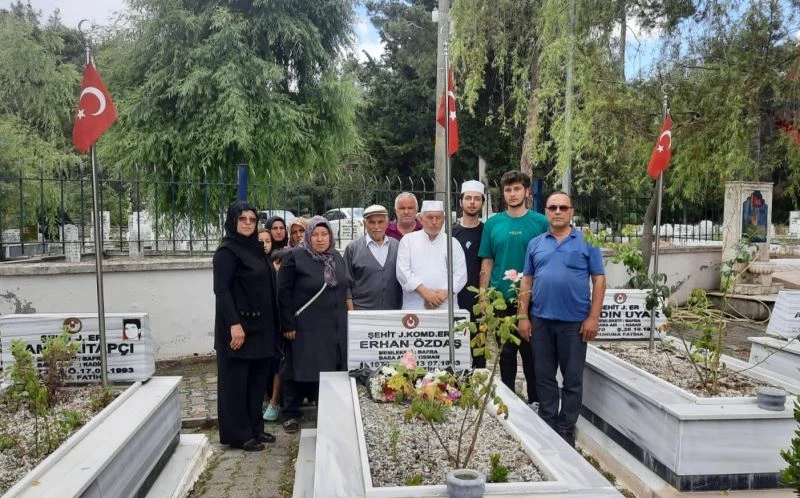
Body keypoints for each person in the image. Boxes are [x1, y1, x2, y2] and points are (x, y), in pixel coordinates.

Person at [518, 191, 606, 447]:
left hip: (574, 323)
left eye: (563, 208)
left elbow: (599, 280)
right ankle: (547, 422)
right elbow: (527, 281)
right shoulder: (535, 244)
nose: (558, 212)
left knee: (572, 379)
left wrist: (593, 318)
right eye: (553, 207)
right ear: (546, 211)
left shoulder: (586, 242)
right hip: (541, 321)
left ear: (571, 212)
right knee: (544, 376)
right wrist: (523, 316)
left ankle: (566, 429)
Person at [478, 170, 548, 408]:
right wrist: (483, 295)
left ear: (527, 192)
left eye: (517, 189)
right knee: (506, 353)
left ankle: (536, 401)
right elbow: (487, 261)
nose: (512, 194)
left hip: (533, 299)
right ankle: (508, 400)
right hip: (501, 298)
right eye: (508, 190)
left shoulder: (541, 222)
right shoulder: (493, 224)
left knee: (531, 354)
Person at [213, 200, 279, 451]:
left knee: (256, 382)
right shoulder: (227, 252)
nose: (248, 223)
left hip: (260, 328)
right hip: (239, 328)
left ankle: (255, 428)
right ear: (233, 221)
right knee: (237, 383)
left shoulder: (255, 248)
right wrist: (234, 324)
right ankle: (239, 435)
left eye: (252, 219)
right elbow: (222, 291)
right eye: (243, 219)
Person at [278, 216, 348, 433]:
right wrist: (288, 324)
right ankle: (290, 413)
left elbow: (343, 287)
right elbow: (283, 293)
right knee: (297, 367)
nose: (319, 239)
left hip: (332, 325)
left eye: (324, 234)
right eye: (315, 234)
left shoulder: (336, 256)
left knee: (327, 368)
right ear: (308, 236)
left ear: (330, 236)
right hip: (304, 325)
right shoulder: (295, 257)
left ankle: (325, 410)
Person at [396, 200, 467, 310]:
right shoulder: (408, 241)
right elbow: (403, 272)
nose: (434, 222)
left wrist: (444, 294)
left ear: (443, 220)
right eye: (430, 217)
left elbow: (461, 274)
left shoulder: (452, 243)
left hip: (446, 306)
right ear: (421, 219)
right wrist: (426, 293)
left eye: (438, 218)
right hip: (415, 306)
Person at [344, 204, 402, 310]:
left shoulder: (397, 246)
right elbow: (346, 285)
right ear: (364, 224)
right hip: (362, 311)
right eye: (371, 222)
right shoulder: (353, 248)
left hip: (392, 311)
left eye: (380, 222)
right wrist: (352, 313)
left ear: (387, 223)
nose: (376, 226)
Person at [453, 180, 486, 368]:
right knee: (456, 345)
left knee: (479, 349)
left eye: (476, 199)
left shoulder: (487, 232)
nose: (472, 202)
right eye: (468, 198)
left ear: (482, 202)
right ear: (461, 201)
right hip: (455, 297)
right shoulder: (451, 232)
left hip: (479, 298)